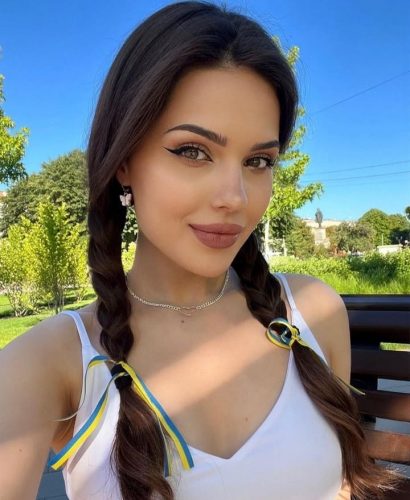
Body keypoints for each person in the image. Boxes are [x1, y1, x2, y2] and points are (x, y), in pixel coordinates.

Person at [0, 2, 402, 499]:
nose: (235, 197)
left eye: (259, 160)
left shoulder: (313, 312)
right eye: (193, 151)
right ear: (124, 161)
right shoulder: (49, 362)